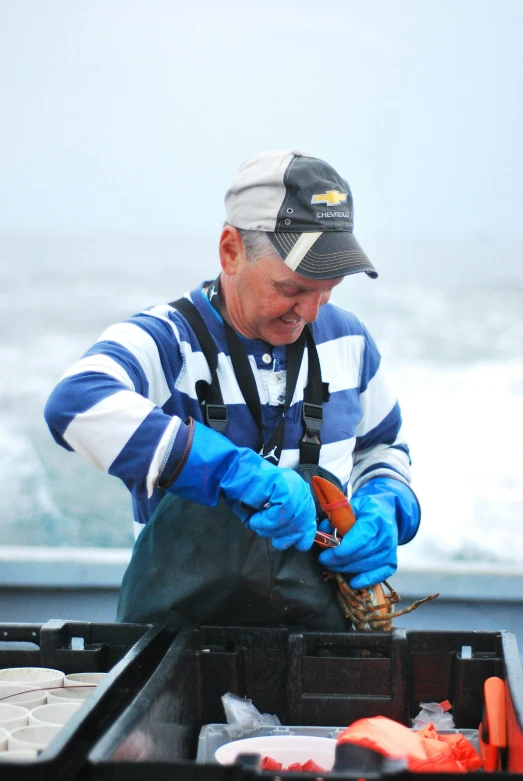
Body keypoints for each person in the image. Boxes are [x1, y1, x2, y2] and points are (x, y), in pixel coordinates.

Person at [44, 150, 420, 630]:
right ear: (231, 250)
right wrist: (229, 470)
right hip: (177, 646)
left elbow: (382, 447)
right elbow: (75, 402)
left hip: (320, 641)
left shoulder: (349, 340)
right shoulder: (169, 341)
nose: (309, 310)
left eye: (329, 287)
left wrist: (385, 503)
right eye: (292, 287)